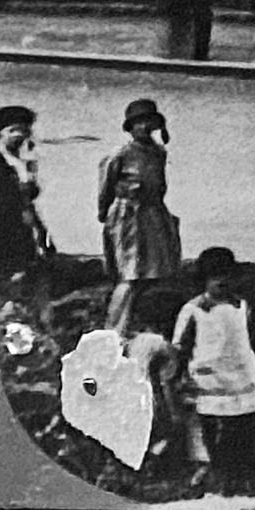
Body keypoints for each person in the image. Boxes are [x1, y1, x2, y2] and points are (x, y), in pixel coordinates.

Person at [170, 247, 255, 482]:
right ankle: (215, 467)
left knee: (243, 424)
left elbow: (250, 339)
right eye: (214, 277)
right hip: (209, 378)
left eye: (226, 277)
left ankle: (243, 469)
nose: (221, 283)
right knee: (211, 426)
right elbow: (180, 346)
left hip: (242, 376)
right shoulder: (193, 311)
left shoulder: (242, 307)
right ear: (203, 281)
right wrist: (181, 376)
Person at [95, 99, 177, 336]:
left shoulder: (158, 152)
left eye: (147, 121)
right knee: (130, 274)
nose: (142, 127)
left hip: (153, 214)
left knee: (155, 273)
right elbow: (106, 187)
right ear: (130, 127)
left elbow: (160, 185)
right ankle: (113, 332)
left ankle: (143, 326)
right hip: (128, 217)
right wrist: (105, 213)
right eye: (137, 123)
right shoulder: (120, 154)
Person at [0, 101, 55, 325]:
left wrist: (40, 232)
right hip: (1, 234)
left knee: (27, 283)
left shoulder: (23, 164)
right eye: (12, 130)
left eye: (23, 129)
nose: (19, 135)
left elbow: (28, 202)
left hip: (24, 231)